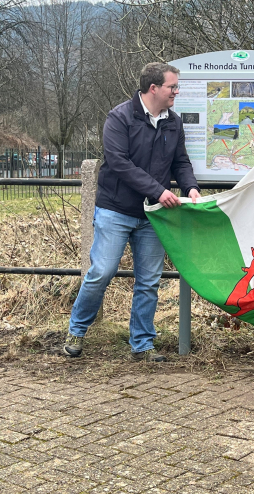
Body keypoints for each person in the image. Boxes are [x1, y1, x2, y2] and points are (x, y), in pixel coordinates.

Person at [64, 63, 201, 361]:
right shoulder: (120, 117)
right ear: (153, 88)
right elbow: (119, 162)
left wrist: (190, 188)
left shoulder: (174, 123)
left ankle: (142, 344)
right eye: (172, 87)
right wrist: (159, 190)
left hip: (153, 215)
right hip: (116, 210)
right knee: (101, 272)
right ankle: (77, 329)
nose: (177, 91)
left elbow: (181, 162)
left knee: (149, 281)